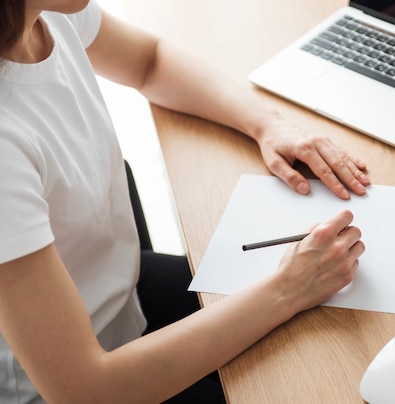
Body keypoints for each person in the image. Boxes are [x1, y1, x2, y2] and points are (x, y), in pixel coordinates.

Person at [0, 0, 369, 402]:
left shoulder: (48, 11)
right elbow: (86, 391)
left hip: (121, 293)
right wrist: (287, 290)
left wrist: (267, 124)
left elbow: (148, 61)